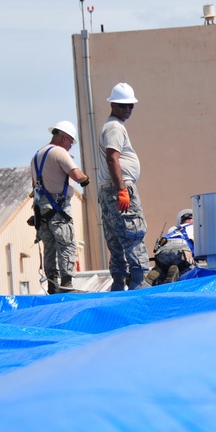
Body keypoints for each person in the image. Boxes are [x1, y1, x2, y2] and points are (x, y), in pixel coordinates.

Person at [98, 83, 150, 290]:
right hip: (119, 188)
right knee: (132, 233)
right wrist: (122, 190)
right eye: (123, 106)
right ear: (112, 105)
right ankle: (139, 283)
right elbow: (113, 158)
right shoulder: (115, 128)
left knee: (117, 239)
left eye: (130, 106)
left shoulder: (112, 126)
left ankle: (119, 283)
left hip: (109, 189)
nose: (127, 110)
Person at [31, 121, 90, 294]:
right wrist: (86, 178)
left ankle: (52, 285)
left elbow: (34, 185)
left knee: (50, 247)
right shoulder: (59, 152)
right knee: (67, 244)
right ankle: (67, 285)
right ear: (64, 138)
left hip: (41, 209)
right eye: (71, 142)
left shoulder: (36, 156)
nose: (70, 146)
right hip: (58, 208)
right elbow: (78, 176)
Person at [145, 209, 195, 286]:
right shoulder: (196, 228)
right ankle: (175, 273)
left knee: (162, 269)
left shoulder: (173, 229)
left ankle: (155, 273)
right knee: (191, 272)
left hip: (162, 252)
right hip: (181, 250)